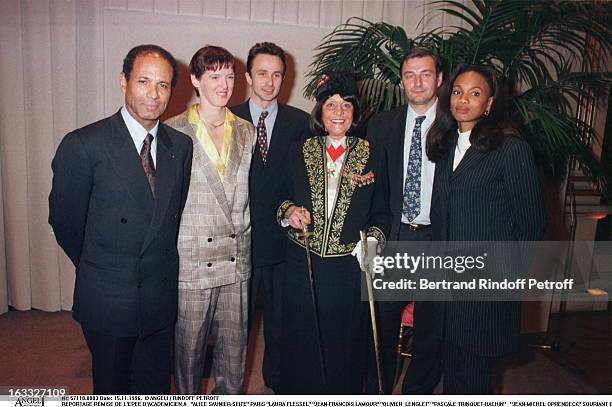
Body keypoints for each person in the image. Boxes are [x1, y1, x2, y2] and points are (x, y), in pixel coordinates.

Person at [48, 44, 193, 394]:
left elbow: (168, 218)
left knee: (155, 387)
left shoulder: (181, 146)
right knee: (113, 388)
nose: (154, 94)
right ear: (123, 81)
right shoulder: (84, 144)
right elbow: (66, 223)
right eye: (144, 81)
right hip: (109, 297)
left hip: (159, 297)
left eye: (163, 84)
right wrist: (104, 267)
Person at [426, 64, 546, 393]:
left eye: (475, 93)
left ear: (490, 103)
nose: (463, 99)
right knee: (452, 368)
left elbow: (532, 224)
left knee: (475, 376)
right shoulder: (446, 145)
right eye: (458, 91)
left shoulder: (510, 148)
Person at [276, 72, 390, 394]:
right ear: (320, 112)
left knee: (343, 346)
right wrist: (289, 212)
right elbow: (280, 196)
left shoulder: (372, 152)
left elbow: (382, 211)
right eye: (330, 105)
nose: (338, 112)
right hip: (303, 263)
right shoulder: (299, 150)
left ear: (355, 113)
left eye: (345, 105)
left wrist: (373, 240)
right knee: (302, 343)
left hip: (347, 270)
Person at [165, 45, 255, 395]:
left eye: (230, 76)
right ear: (195, 80)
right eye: (214, 76)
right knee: (187, 355)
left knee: (234, 356)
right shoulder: (173, 130)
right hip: (192, 259)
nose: (224, 84)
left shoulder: (246, 131)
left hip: (236, 257)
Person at [230, 42, 309, 393]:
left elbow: (306, 182)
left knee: (280, 325)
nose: (269, 81)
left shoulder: (300, 122)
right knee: (235, 328)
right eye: (262, 73)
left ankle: (277, 387)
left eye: (277, 74)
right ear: (248, 76)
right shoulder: (228, 119)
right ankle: (229, 388)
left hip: (281, 244)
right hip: (238, 244)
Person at [366, 47, 443, 394]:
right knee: (381, 326)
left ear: (439, 79)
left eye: (425, 74)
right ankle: (379, 390)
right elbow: (372, 185)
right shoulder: (381, 125)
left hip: (438, 240)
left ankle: (417, 394)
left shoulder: (456, 125)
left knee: (431, 331)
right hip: (394, 238)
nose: (417, 82)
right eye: (410, 75)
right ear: (401, 81)